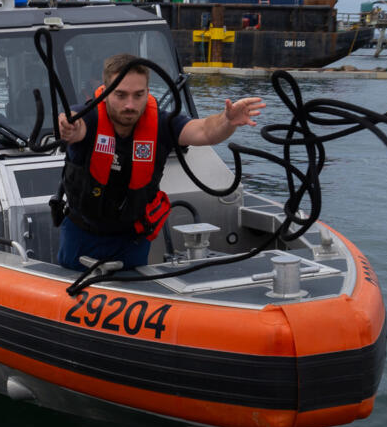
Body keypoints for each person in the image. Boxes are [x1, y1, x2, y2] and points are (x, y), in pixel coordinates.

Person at [55, 52, 265, 271]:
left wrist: (227, 120)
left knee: (136, 285)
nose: (130, 105)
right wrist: (68, 126)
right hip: (82, 236)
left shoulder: (162, 123)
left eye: (138, 95)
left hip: (132, 240)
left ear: (148, 92)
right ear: (106, 92)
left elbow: (204, 131)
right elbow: (74, 124)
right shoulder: (88, 117)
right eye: (121, 95)